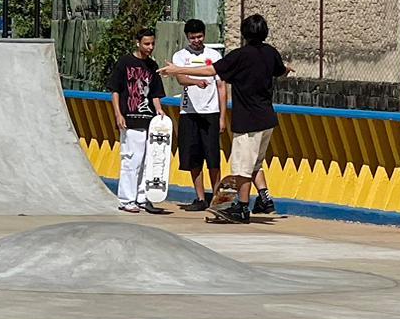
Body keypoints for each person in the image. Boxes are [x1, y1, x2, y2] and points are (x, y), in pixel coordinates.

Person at [160, 14, 291, 223]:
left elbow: (210, 71)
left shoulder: (239, 56)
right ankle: (264, 200)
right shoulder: (270, 52)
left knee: (242, 168)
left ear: (244, 34)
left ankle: (242, 208)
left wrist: (178, 69)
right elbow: (281, 71)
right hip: (267, 119)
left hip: (248, 121)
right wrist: (287, 70)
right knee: (255, 163)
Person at [106, 28, 170, 214]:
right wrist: (118, 114)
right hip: (130, 119)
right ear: (138, 43)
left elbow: (155, 93)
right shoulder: (125, 62)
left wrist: (158, 109)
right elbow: (115, 90)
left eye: (152, 43)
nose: (150, 47)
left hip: (148, 120)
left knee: (147, 161)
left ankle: (142, 198)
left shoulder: (152, 65)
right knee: (131, 160)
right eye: (146, 44)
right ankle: (126, 199)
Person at [168, 19, 225, 212]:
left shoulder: (214, 55)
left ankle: (217, 198)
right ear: (187, 37)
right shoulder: (180, 56)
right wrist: (196, 82)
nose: (196, 40)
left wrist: (222, 116)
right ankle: (200, 197)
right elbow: (180, 78)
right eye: (193, 38)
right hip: (189, 112)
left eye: (199, 36)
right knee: (194, 157)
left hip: (211, 112)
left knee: (213, 157)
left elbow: (221, 87)